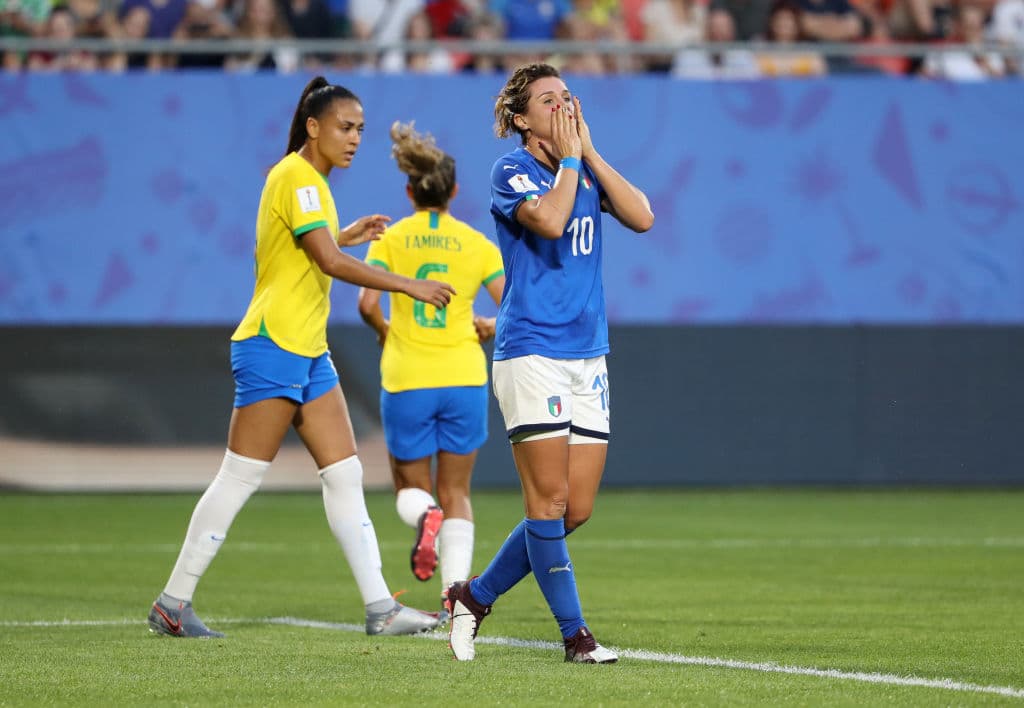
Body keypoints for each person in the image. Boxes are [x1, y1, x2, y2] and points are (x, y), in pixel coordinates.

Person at [147, 76, 455, 639]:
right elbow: (326, 263)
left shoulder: (307, 182)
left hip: (307, 351)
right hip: (273, 345)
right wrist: (405, 284)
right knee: (238, 479)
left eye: (360, 128)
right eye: (345, 127)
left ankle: (381, 608)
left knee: (345, 475)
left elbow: (300, 252)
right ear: (314, 128)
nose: (355, 137)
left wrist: (343, 234)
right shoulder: (297, 175)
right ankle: (172, 602)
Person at [445, 63, 654, 664]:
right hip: (532, 351)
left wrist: (587, 152)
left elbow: (642, 216)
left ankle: (475, 597)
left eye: (568, 96)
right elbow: (551, 220)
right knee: (549, 501)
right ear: (521, 118)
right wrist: (569, 162)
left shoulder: (582, 166)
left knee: (576, 509)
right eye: (549, 100)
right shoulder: (511, 170)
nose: (564, 105)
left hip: (589, 356)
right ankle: (575, 635)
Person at [357, 121, 505, 616]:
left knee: (411, 487)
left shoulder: (392, 237)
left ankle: (426, 517)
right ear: (455, 191)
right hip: (464, 376)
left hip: (408, 376)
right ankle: (457, 593)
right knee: (458, 489)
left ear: (409, 189)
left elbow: (365, 302)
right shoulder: (476, 243)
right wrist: (484, 325)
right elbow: (513, 306)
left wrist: (383, 331)